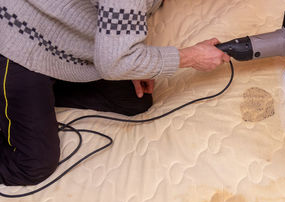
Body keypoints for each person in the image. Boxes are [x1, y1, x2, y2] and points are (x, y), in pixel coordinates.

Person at [0, 0, 230, 186]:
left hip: (58, 37)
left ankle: (31, 98)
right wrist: (192, 56)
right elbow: (116, 59)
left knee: (134, 101)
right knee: (33, 164)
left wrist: (130, 55)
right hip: (15, 40)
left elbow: (121, 18)